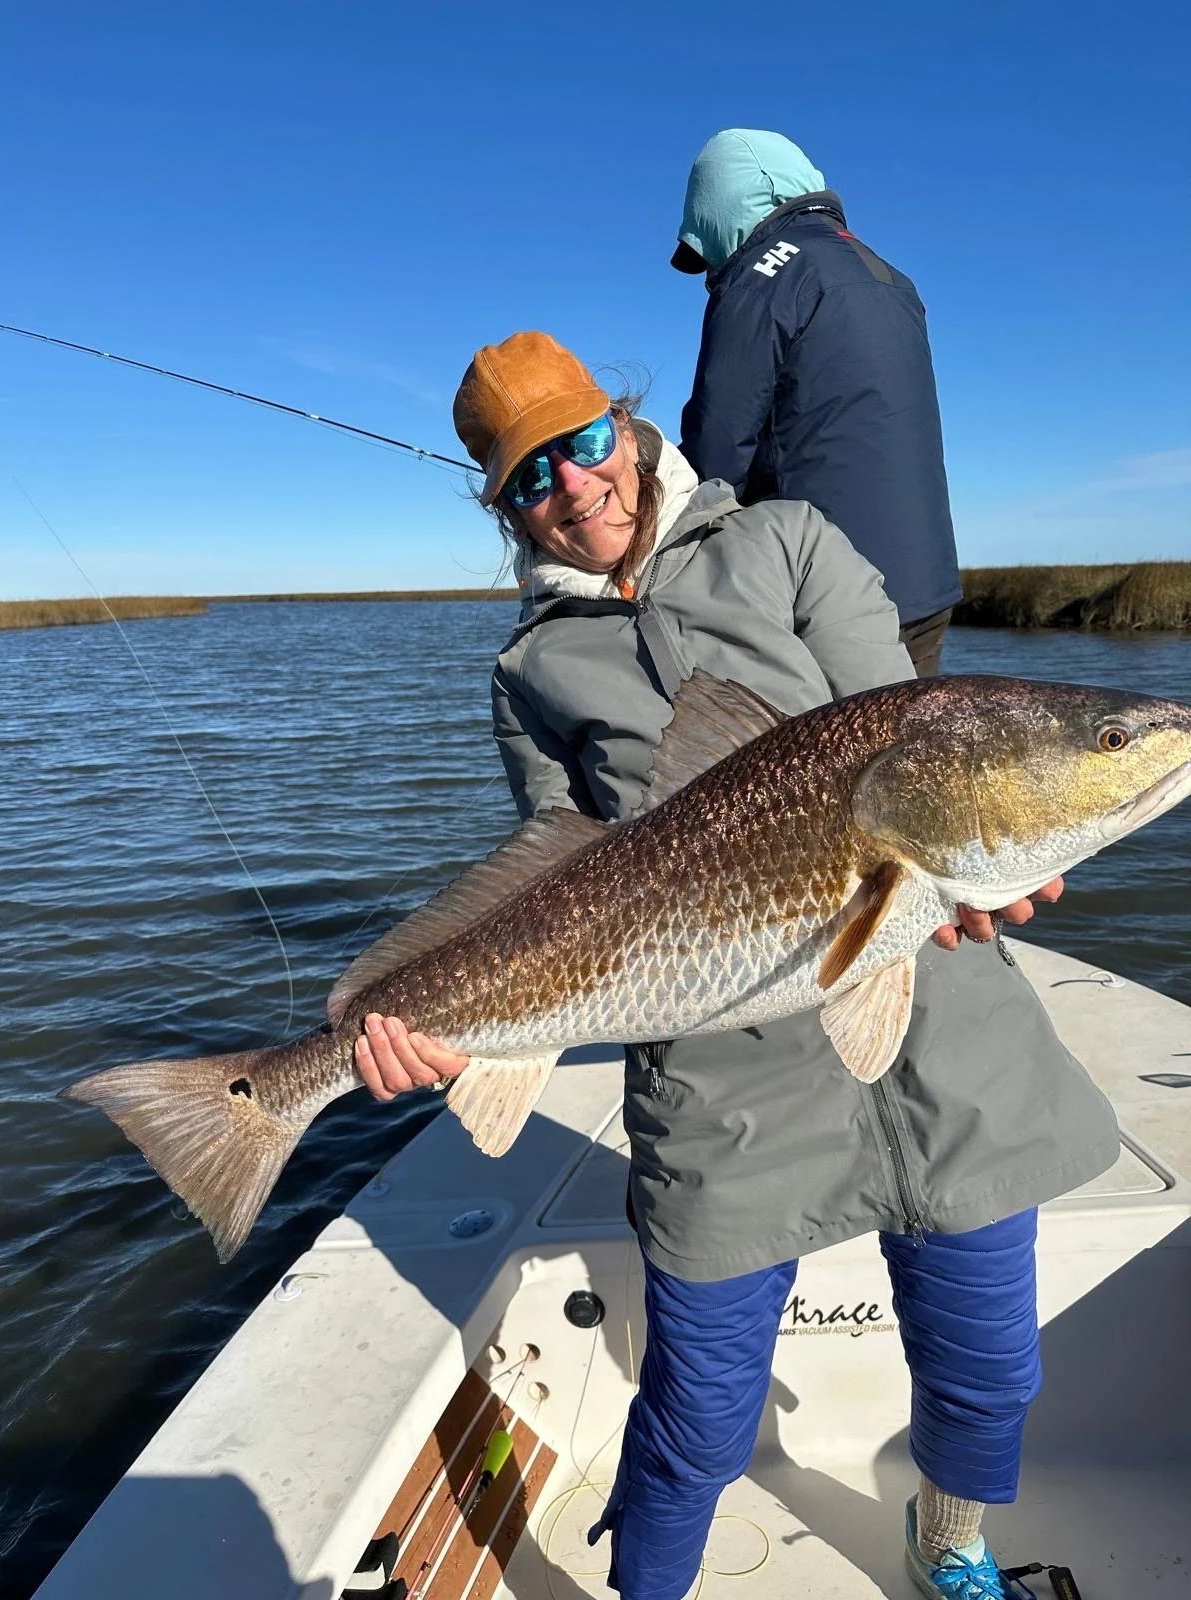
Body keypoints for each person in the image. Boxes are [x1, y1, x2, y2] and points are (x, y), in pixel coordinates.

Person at [353, 331, 1119, 1600]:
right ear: (504, 506)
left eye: (584, 443)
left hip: (936, 1011)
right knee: (697, 1411)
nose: (574, 487)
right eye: (530, 476)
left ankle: (953, 1545)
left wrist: (984, 857)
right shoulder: (527, 668)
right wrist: (436, 1018)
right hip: (718, 1062)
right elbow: (551, 868)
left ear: (629, 427)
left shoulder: (788, 540)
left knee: (988, 1361)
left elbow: (910, 729)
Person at [673, 129, 962, 677]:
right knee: (902, 756)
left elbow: (715, 455)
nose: (709, 268)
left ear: (725, 207)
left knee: (807, 759)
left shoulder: (761, 274)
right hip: (925, 589)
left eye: (706, 244)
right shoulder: (888, 274)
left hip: (829, 598)